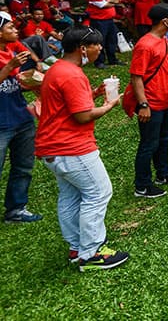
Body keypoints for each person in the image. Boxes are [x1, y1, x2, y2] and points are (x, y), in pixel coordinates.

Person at [36, 26, 128, 270]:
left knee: (70, 196)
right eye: (96, 45)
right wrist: (110, 104)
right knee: (99, 193)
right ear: (82, 48)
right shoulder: (73, 75)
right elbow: (82, 116)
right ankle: (91, 253)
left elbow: (69, 106)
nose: (100, 49)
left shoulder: (58, 69)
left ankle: (76, 246)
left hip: (52, 148)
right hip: (71, 148)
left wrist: (95, 93)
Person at [131, 3, 168, 198]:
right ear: (164, 20)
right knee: (148, 144)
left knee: (163, 140)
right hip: (151, 103)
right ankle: (142, 185)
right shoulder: (145, 45)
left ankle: (163, 174)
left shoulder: (163, 40)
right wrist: (143, 104)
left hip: (166, 101)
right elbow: (136, 77)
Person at [0, 11, 43, 223]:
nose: (15, 30)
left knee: (23, 166)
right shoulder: (10, 58)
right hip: (1, 122)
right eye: (10, 28)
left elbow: (13, 83)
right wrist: (10, 66)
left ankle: (16, 209)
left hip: (20, 116)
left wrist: (33, 84)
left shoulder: (10, 51)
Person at [85, 0, 121, 67]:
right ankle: (99, 62)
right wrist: (112, 2)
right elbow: (103, 5)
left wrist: (110, 1)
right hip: (99, 21)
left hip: (109, 20)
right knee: (100, 41)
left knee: (112, 39)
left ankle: (112, 59)